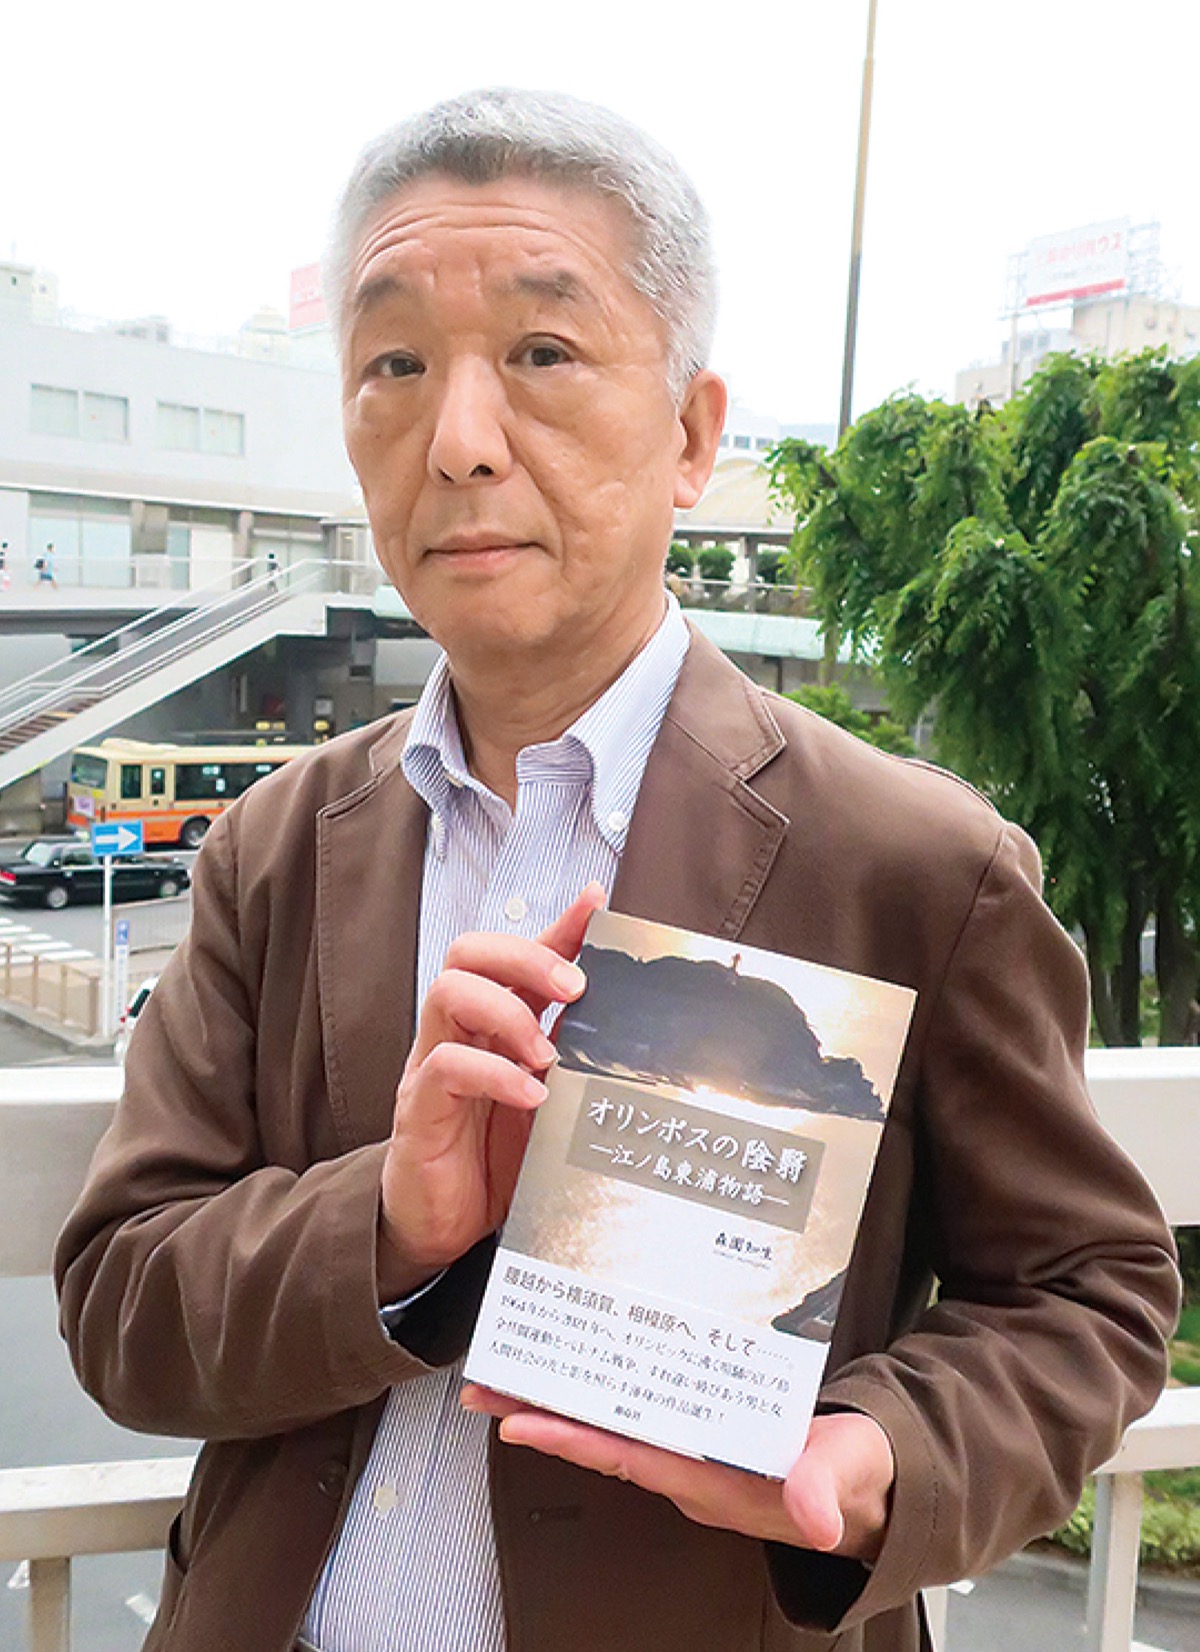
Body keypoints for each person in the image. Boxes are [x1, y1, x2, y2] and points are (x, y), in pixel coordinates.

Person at [55, 89, 1179, 1652]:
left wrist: (876, 1457)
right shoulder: (278, 844)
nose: (458, 442)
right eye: (394, 365)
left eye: (542, 352)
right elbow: (123, 1302)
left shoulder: (916, 867)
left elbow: (1085, 1296)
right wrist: (393, 1226)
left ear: (693, 436)